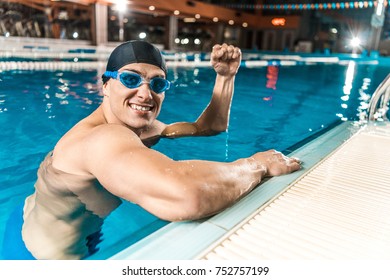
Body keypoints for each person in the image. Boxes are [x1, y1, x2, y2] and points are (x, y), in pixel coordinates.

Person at [18, 40, 300, 260]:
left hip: (58, 219)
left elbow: (209, 127)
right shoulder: (102, 138)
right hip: (52, 256)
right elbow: (189, 195)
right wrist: (256, 165)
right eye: (130, 80)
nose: (145, 93)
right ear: (105, 85)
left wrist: (225, 78)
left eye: (157, 83)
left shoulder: (143, 128)